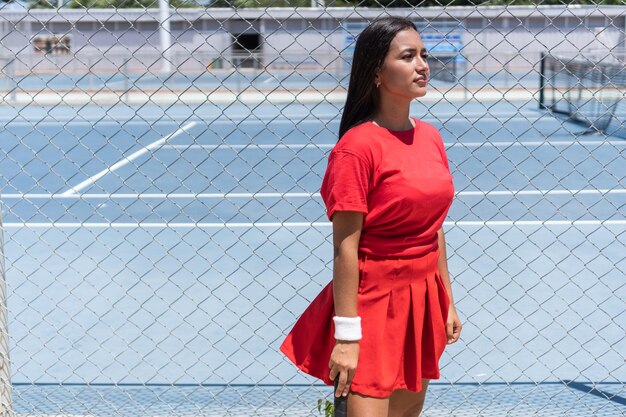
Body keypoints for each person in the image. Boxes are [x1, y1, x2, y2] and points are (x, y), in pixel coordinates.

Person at [279, 16, 462, 416]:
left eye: (423, 55)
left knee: (408, 411)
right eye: (408, 56)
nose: (423, 65)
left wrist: (446, 300)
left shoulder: (430, 136)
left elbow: (434, 228)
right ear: (377, 71)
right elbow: (347, 249)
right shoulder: (356, 148)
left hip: (423, 297)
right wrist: (346, 336)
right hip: (373, 303)